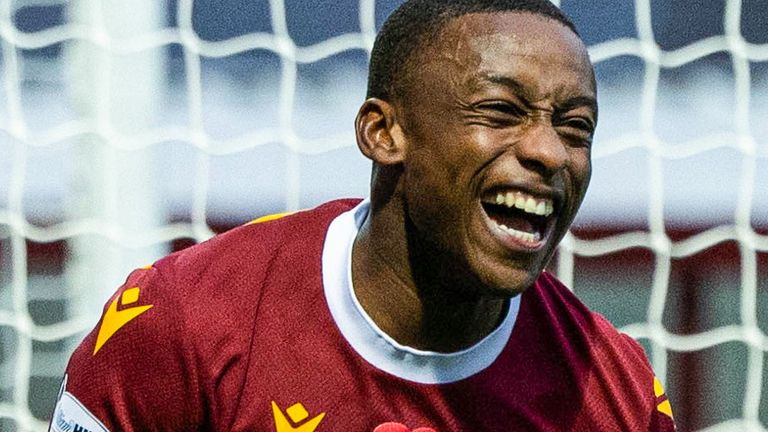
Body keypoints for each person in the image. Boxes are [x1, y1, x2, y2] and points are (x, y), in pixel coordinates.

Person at [50, 0, 677, 431]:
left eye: (576, 127)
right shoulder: (186, 321)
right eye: (501, 112)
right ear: (384, 133)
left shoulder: (611, 391)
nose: (548, 152)